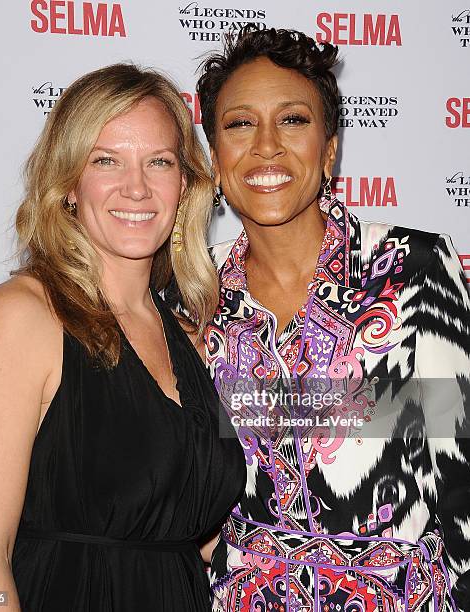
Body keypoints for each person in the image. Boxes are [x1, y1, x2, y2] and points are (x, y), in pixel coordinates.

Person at [0, 63, 246, 611]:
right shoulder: (19, 320)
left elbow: (197, 534)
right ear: (68, 185)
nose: (137, 187)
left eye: (159, 162)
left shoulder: (190, 336)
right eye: (107, 160)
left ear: (185, 183)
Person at [195, 26, 470, 611]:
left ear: (331, 148)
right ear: (215, 158)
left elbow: (463, 475)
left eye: (292, 119)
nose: (266, 145)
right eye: (239, 124)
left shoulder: (411, 270)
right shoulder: (194, 298)